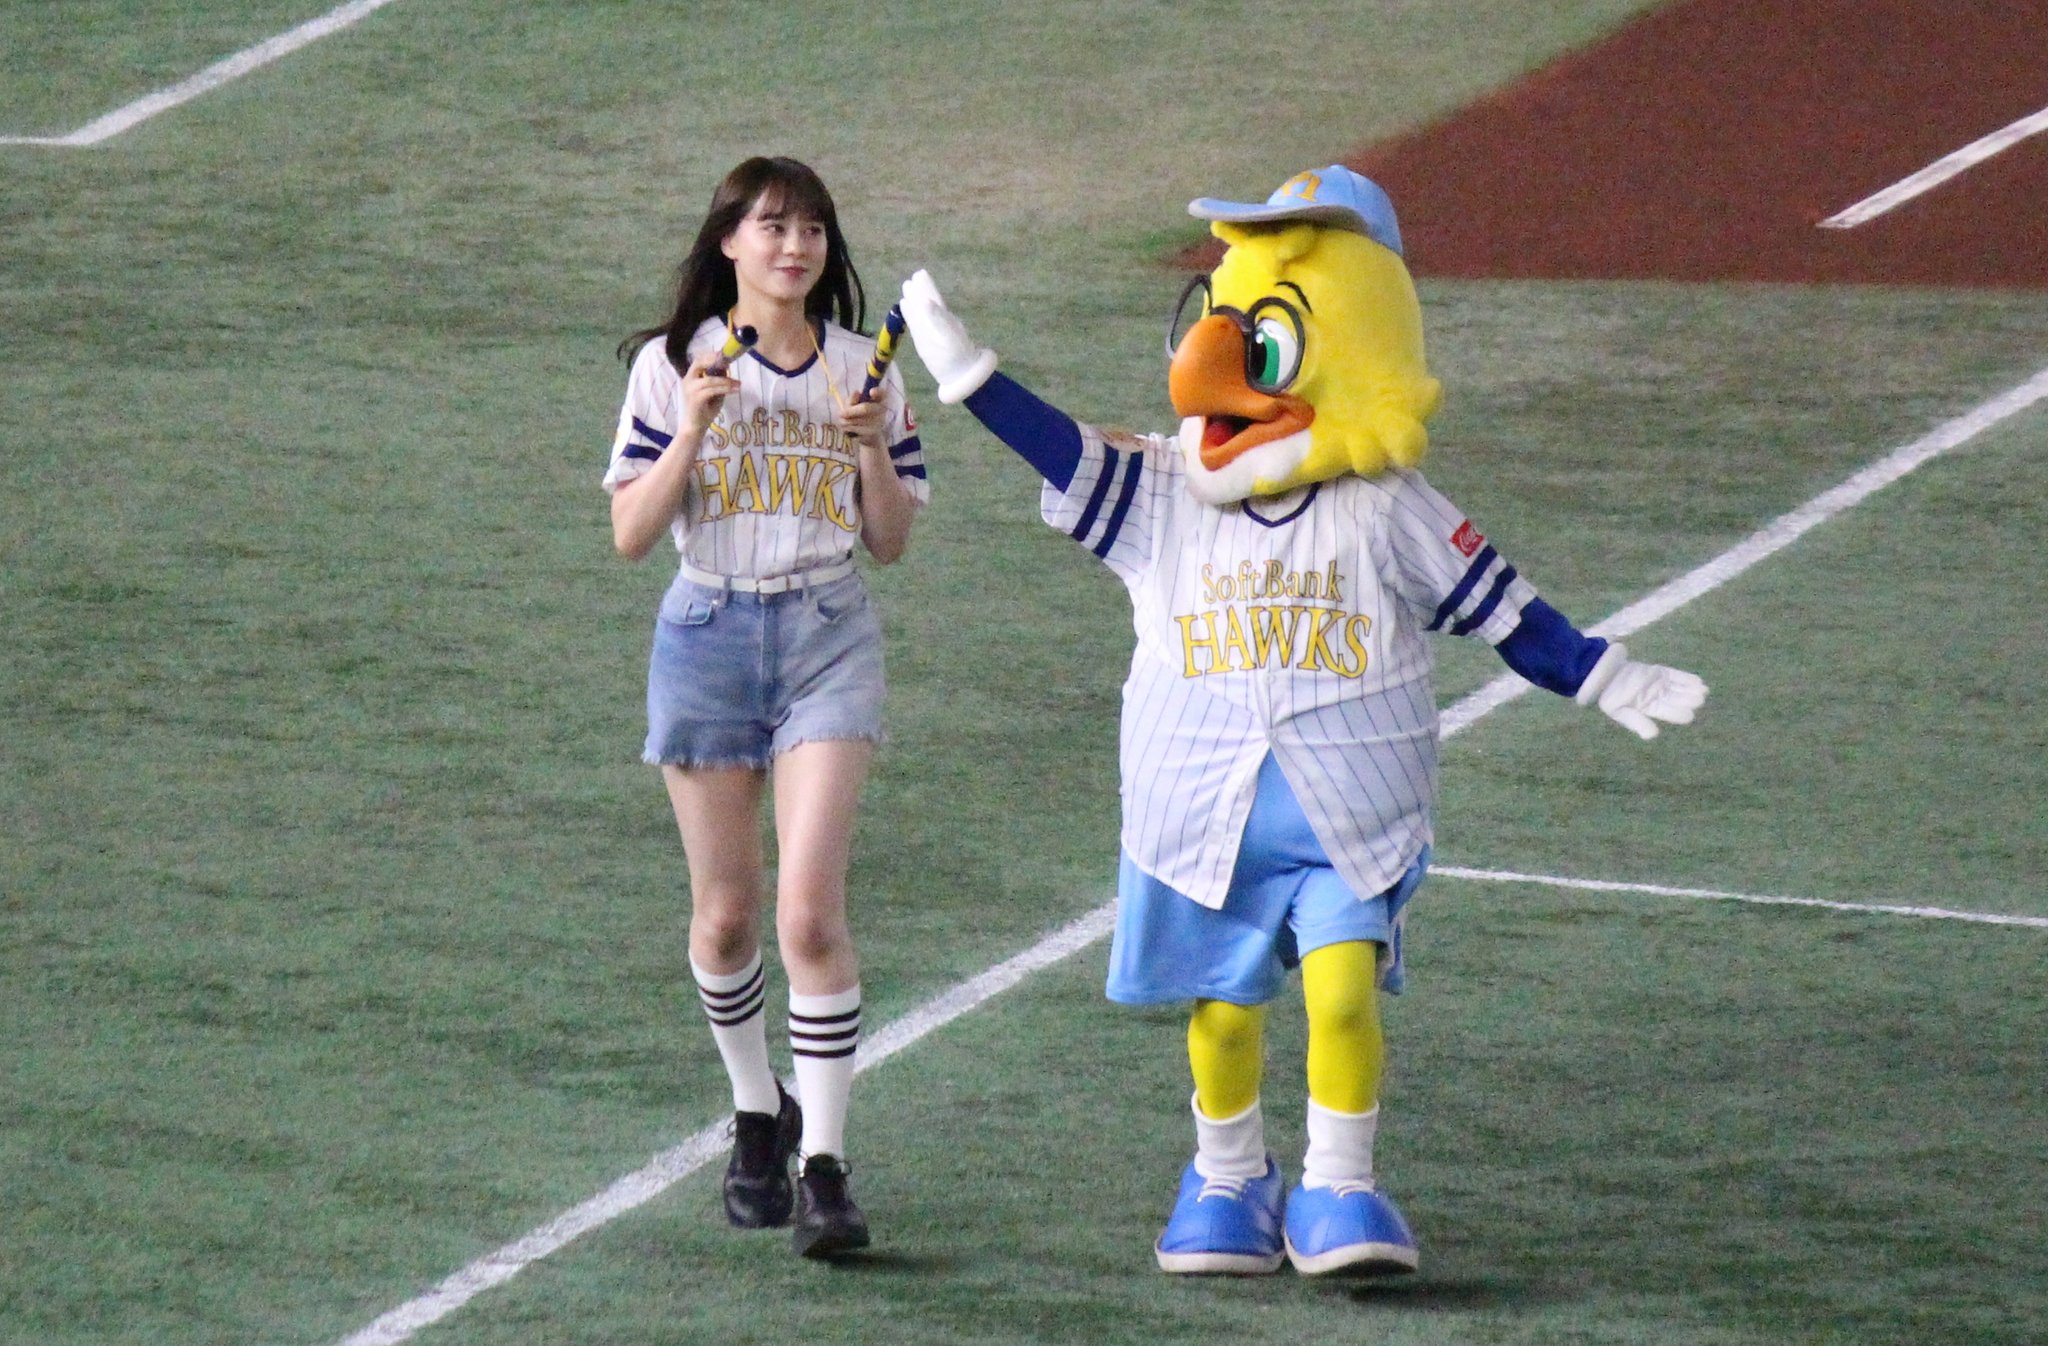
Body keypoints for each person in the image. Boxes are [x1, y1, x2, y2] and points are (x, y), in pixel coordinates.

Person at [897, 166, 1704, 1275]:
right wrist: (972, 379)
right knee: (1224, 1017)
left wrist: (1601, 675)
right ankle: (1228, 1173)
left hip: (1346, 813)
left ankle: (1339, 1181)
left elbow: (1501, 607)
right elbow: (1065, 451)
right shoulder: (1163, 495)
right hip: (1201, 817)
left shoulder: (1386, 508)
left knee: (1341, 994)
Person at [604, 155, 927, 1259]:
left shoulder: (860, 369)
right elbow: (631, 533)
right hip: (704, 637)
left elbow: (889, 540)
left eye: (812, 229)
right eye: (773, 226)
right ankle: (758, 1110)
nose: (795, 247)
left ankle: (824, 1168)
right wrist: (692, 427)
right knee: (724, 920)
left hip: (828, 634)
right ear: (730, 241)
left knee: (808, 917)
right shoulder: (670, 364)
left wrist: (870, 445)